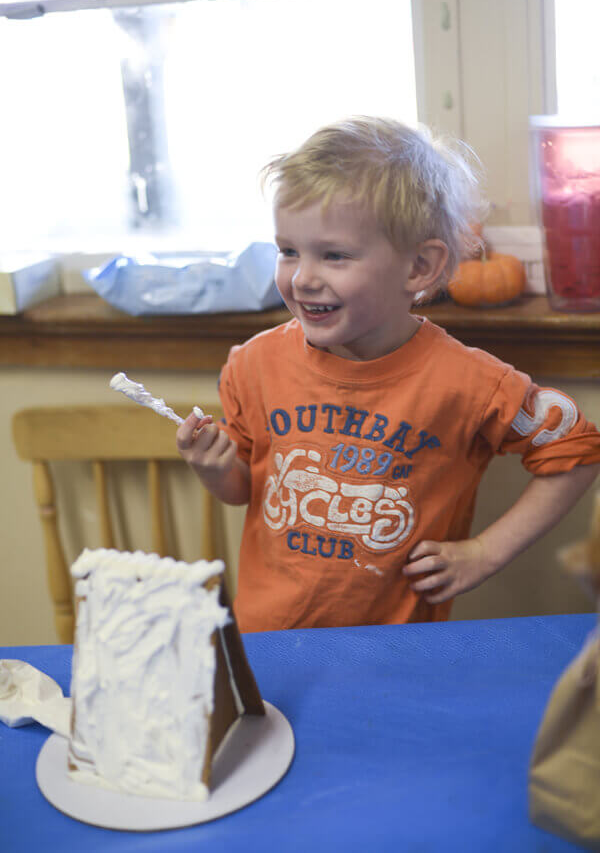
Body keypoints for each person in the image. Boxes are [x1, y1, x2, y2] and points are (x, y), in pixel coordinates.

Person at [177, 116, 600, 632]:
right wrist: (215, 470)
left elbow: (576, 451)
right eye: (288, 250)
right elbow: (245, 490)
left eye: (333, 255)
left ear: (419, 268)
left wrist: (485, 552)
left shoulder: (467, 381)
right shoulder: (252, 365)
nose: (303, 277)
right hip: (268, 648)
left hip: (396, 655)